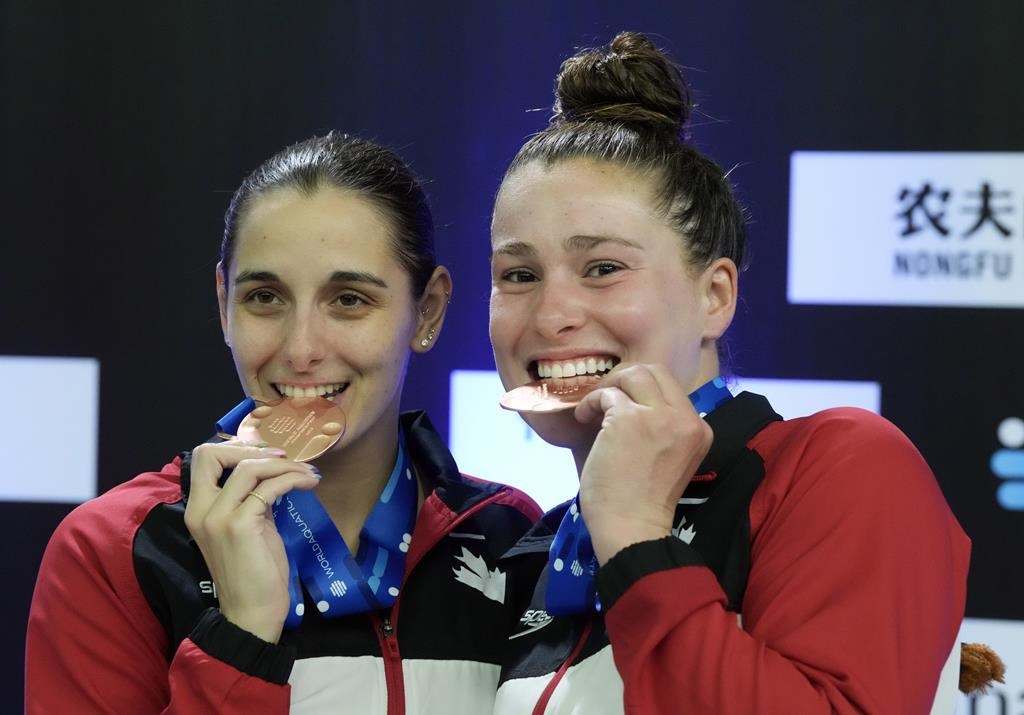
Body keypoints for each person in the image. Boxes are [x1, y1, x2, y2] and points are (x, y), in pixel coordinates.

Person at [487, 32, 970, 714]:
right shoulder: (535, 548)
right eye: (519, 274)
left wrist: (636, 538)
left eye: (602, 268)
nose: (551, 313)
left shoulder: (838, 464)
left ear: (714, 295)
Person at [25, 132, 541, 714]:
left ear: (428, 310)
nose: (301, 349)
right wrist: (241, 636)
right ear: (224, 303)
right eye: (265, 297)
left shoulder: (509, 538)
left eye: (348, 299)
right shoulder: (115, 550)